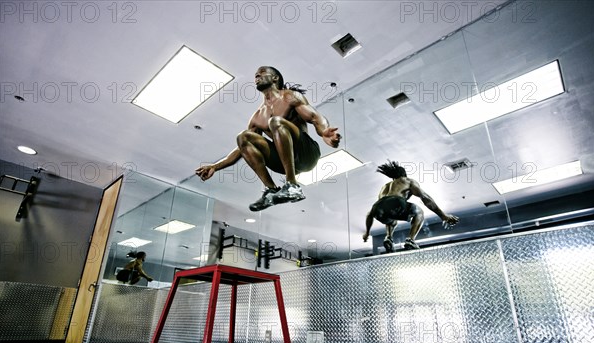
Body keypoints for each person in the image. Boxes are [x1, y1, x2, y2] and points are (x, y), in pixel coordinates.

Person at [196, 66, 341, 211]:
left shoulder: (290, 96)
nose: (257, 77)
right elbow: (242, 149)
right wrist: (215, 166)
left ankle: (292, 186)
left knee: (275, 122)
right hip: (284, 163)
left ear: (275, 78)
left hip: (307, 154)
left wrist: (324, 132)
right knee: (243, 137)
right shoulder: (258, 116)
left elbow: (315, 117)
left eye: (261, 73)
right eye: (255, 75)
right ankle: (272, 191)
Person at [362, 161, 459, 252]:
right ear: (404, 175)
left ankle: (389, 238)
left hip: (377, 208)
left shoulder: (384, 187)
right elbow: (425, 197)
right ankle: (410, 240)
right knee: (419, 212)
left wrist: (367, 233)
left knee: (392, 219)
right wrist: (443, 216)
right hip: (395, 202)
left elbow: (370, 214)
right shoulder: (407, 181)